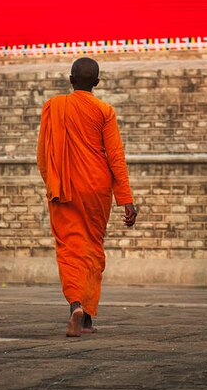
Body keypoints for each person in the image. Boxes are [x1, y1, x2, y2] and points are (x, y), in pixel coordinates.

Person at [37, 57, 137, 337]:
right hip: (97, 188)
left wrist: (53, 182)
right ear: (96, 82)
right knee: (93, 248)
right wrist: (126, 200)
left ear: (71, 80)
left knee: (69, 248)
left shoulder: (53, 107)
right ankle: (89, 318)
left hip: (64, 187)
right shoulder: (104, 110)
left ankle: (75, 306)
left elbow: (43, 155)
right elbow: (116, 157)